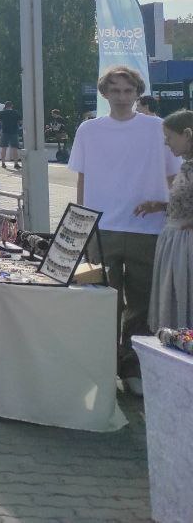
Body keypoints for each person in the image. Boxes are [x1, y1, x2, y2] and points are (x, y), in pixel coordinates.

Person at [69, 67, 182, 396]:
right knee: (104, 302)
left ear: (137, 93)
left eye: (128, 90)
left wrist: (173, 212)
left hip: (147, 228)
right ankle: (103, 365)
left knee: (142, 303)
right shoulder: (89, 130)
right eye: (115, 90)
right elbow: (82, 178)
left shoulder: (157, 129)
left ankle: (133, 366)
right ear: (104, 93)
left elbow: (173, 177)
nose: (121, 97)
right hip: (103, 227)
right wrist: (81, 223)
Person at [144, 110, 193, 332]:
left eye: (170, 137)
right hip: (177, 244)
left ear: (187, 134)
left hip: (186, 247)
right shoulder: (187, 165)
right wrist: (162, 206)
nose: (166, 142)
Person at [0, 101, 21, 169]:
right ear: (12, 105)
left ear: (5, 106)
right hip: (14, 131)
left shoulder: (3, 112)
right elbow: (20, 121)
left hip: (5, 131)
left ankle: (3, 163)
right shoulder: (15, 112)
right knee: (14, 148)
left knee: (4, 148)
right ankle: (16, 163)